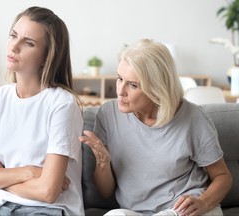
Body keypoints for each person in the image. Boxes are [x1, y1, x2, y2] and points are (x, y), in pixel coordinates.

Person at [0, 6, 84, 216]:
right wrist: (29, 173)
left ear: (46, 56)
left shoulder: (62, 104)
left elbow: (48, 192)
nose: (14, 46)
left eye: (28, 43)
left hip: (47, 210)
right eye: (13, 35)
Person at [79, 39, 232, 216]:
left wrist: (203, 203)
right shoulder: (108, 114)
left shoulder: (193, 118)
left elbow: (223, 177)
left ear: (157, 88)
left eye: (133, 85)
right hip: (138, 212)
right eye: (120, 78)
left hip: (185, 211)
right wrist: (103, 163)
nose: (120, 91)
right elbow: (106, 192)